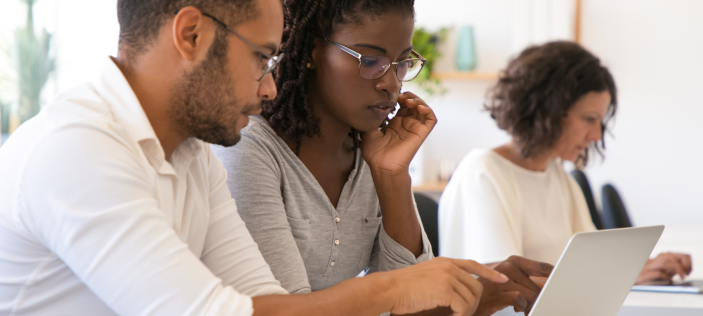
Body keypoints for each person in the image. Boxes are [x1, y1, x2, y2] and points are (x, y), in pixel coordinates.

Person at [0, 0, 541, 314]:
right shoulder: (77, 150)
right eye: (262, 57)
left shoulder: (193, 157)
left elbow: (268, 302)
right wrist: (397, 286)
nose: (268, 89)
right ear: (191, 34)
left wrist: (450, 286)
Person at [213, 0, 553, 314]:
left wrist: (392, 175)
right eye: (371, 61)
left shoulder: (372, 153)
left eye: (402, 63)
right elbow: (291, 309)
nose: (392, 83)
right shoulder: (248, 149)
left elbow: (412, 306)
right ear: (313, 51)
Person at [438, 41, 692, 285]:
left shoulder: (556, 175)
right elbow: (504, 284)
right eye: (589, 119)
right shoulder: (483, 171)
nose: (597, 135)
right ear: (548, 111)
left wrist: (649, 266)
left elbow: (596, 263)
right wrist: (624, 276)